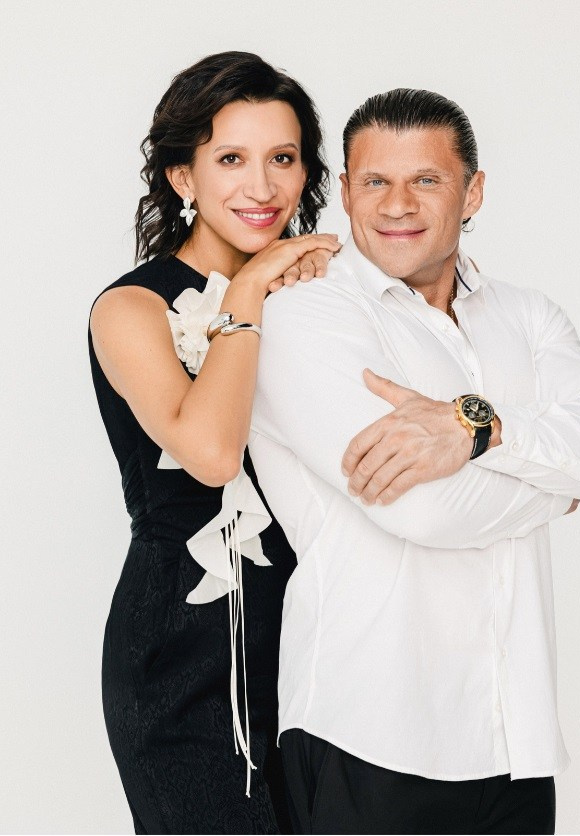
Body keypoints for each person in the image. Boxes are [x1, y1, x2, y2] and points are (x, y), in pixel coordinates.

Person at [248, 88, 580, 834]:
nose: (397, 204)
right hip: (368, 733)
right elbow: (422, 508)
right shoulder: (306, 313)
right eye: (375, 180)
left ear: (473, 192)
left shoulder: (526, 315)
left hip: (514, 740)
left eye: (426, 180)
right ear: (346, 192)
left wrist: (480, 431)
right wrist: (559, 489)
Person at [88, 51, 341, 835]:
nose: (261, 187)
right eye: (231, 159)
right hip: (181, 654)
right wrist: (249, 290)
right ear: (183, 177)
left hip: (314, 639)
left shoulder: (323, 300)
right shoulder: (130, 309)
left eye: (282, 159)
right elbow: (210, 453)